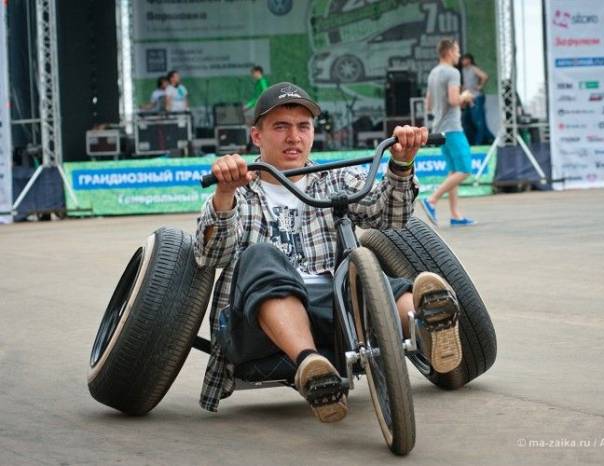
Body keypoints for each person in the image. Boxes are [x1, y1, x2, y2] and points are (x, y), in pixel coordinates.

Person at [194, 82, 465, 422]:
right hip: (257, 323)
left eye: (302, 127)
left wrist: (402, 163)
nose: (294, 137)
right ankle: (310, 367)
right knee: (261, 255)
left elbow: (391, 217)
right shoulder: (240, 188)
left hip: (333, 314)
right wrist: (223, 195)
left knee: (362, 273)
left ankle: (431, 324)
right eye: (281, 126)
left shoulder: (332, 179)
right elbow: (209, 256)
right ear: (257, 136)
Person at [422, 39, 477, 227]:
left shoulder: (433, 73)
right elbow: (454, 100)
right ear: (448, 52)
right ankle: (431, 200)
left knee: (454, 170)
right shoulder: (453, 73)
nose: (459, 55)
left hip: (438, 128)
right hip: (452, 128)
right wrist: (465, 96)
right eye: (457, 51)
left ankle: (455, 215)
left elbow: (428, 105)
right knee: (465, 170)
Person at [460, 53, 493, 145]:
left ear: (469, 60)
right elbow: (465, 85)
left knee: (479, 121)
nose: (463, 61)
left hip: (476, 97)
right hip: (468, 99)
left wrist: (480, 86)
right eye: (462, 60)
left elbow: (484, 76)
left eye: (464, 59)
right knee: (470, 121)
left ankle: (480, 142)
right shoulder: (463, 70)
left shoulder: (473, 68)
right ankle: (489, 140)